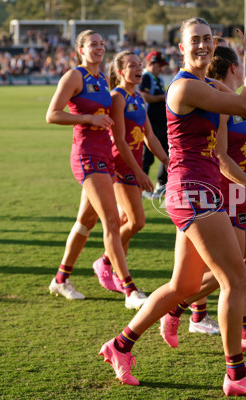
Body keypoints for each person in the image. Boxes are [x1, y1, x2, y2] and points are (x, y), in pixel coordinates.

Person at [98, 15, 246, 397]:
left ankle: (119, 346)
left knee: (182, 285)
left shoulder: (209, 85)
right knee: (236, 278)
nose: (202, 45)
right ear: (181, 48)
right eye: (194, 40)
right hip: (192, 192)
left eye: (207, 39)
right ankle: (236, 375)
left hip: (203, 188)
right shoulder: (184, 88)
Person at [158, 41, 246, 353]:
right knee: (232, 270)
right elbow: (222, 158)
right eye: (244, 63)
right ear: (235, 67)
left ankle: (188, 309)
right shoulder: (217, 104)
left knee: (245, 264)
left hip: (244, 188)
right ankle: (205, 317)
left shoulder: (231, 96)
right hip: (223, 189)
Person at [45, 30, 151, 309]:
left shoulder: (102, 79)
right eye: (93, 44)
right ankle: (130, 290)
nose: (99, 48)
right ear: (80, 49)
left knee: (86, 222)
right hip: (87, 155)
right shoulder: (74, 76)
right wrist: (88, 117)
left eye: (102, 44)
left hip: (104, 155)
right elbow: (52, 114)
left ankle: (61, 278)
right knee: (112, 222)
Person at [91, 50, 170, 297]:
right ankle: (106, 260)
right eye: (132, 65)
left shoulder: (138, 97)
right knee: (137, 221)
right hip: (119, 167)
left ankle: (115, 269)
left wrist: (168, 161)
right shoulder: (118, 97)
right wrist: (140, 173)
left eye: (139, 64)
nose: (138, 68)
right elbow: (120, 141)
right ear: (120, 71)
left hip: (132, 166)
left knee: (127, 222)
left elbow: (149, 135)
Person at [138, 50, 169, 200]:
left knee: (168, 152)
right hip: (150, 123)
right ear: (151, 63)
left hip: (161, 124)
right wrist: (163, 97)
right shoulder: (146, 77)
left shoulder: (159, 80)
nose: (161, 68)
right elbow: (143, 96)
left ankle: (161, 184)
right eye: (159, 65)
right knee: (147, 156)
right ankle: (142, 187)